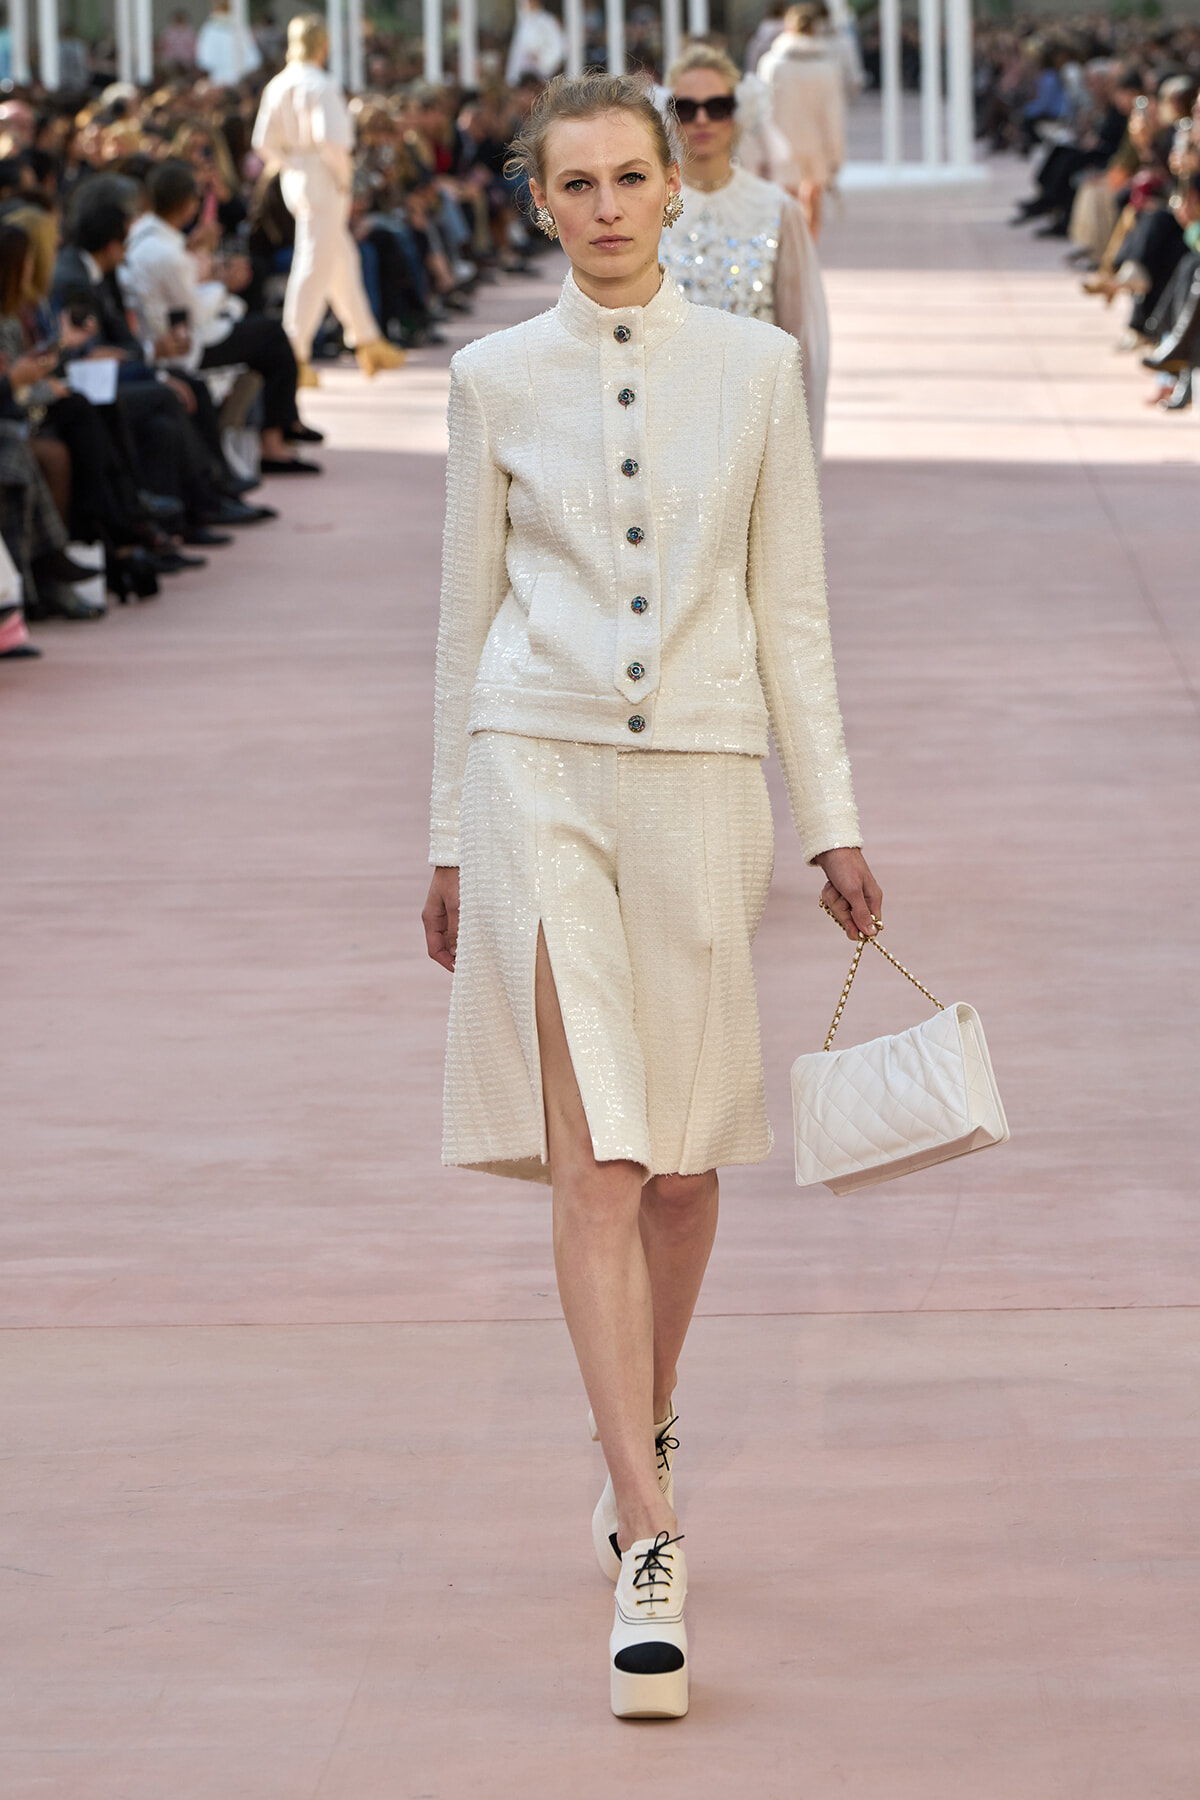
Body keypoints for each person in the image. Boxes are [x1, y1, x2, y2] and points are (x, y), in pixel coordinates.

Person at [421, 72, 880, 1720]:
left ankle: (646, 1416)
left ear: (672, 193)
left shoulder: (753, 376)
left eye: (631, 178)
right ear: (538, 203)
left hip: (700, 786)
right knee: (599, 1156)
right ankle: (650, 1533)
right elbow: (465, 616)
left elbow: (792, 613)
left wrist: (830, 821)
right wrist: (448, 837)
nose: (609, 207)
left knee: (681, 1172)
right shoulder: (489, 379)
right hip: (532, 768)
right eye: (576, 185)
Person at [660, 42, 830, 458]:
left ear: (740, 111)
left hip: (754, 423)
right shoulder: (647, 209)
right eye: (686, 107)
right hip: (664, 422)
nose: (702, 119)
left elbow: (800, 336)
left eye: (718, 106)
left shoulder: (777, 210)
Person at [123, 159, 321, 475]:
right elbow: (192, 313)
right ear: (189, 206)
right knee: (271, 336)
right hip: (183, 346)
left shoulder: (150, 238)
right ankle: (275, 440)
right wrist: (221, 283)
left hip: (177, 334)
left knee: (266, 336)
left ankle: (278, 433)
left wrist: (202, 262)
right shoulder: (165, 252)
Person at [251, 13, 405, 384]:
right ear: (322, 45)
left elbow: (262, 143)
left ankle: (367, 340)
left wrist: (291, 163)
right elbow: (332, 141)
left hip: (296, 177)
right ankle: (294, 353)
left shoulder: (278, 84)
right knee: (314, 265)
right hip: (322, 178)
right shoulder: (320, 84)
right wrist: (342, 179)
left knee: (341, 259)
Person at [757, 0, 846, 238]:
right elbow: (832, 116)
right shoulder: (826, 66)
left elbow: (764, 110)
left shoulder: (772, 64)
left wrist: (763, 150)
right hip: (815, 145)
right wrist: (836, 155)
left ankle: (791, 252)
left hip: (783, 143)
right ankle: (809, 249)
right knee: (812, 197)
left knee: (788, 199)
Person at [195, 0, 262, 88]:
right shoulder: (211, 29)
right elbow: (253, 60)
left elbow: (204, 60)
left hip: (230, 83)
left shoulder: (210, 29)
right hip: (225, 83)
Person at [505, 0, 567, 87]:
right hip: (522, 76)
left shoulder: (548, 21)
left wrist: (541, 60)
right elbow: (517, 51)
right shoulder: (524, 23)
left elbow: (558, 47)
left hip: (541, 75)